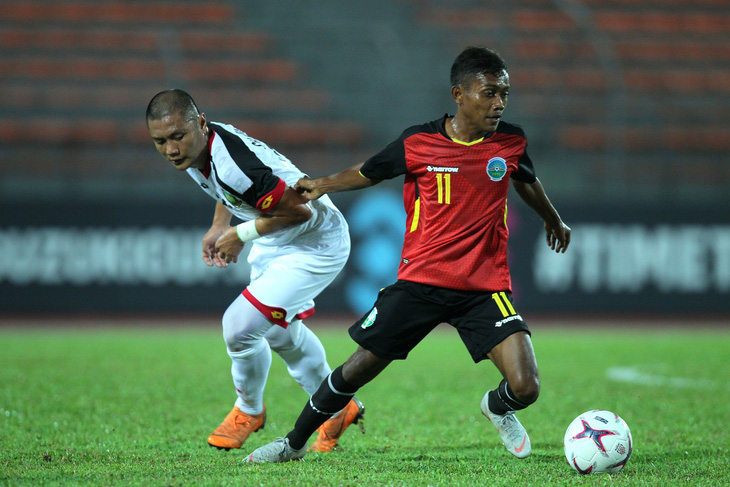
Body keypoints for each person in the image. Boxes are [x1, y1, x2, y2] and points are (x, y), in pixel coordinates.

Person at [244, 46, 571, 463]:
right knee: (357, 368)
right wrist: (324, 183)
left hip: (483, 287)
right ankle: (291, 445)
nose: (499, 103)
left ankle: (497, 407)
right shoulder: (419, 142)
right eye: (489, 93)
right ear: (459, 93)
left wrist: (552, 219)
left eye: (504, 94)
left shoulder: (510, 140)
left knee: (527, 387)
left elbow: (525, 177)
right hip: (421, 283)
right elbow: (369, 171)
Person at [145, 89, 364, 453]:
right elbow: (224, 187)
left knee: (239, 327)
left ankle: (249, 410)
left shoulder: (233, 165)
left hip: (315, 242)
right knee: (278, 333)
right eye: (160, 141)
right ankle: (337, 409)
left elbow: (299, 211)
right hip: (278, 239)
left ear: (200, 123)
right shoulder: (201, 148)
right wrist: (220, 224)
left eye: (177, 137)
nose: (170, 149)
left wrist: (239, 234)